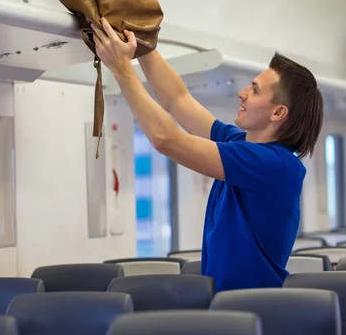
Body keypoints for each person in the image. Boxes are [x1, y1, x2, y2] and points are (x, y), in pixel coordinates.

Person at [91, 17, 324, 291]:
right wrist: (144, 41)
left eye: (255, 90)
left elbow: (166, 139)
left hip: (254, 309)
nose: (242, 93)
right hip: (225, 305)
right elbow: (177, 99)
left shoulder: (275, 165)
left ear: (277, 113)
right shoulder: (242, 144)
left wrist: (121, 69)